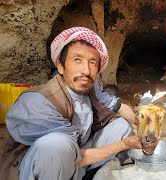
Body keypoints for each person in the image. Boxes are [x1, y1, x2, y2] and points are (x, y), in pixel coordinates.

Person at [0, 27, 142, 180]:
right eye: (77, 60)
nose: (86, 70)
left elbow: (110, 101)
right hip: (46, 166)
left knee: (123, 124)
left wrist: (133, 118)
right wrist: (124, 145)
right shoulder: (38, 101)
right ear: (61, 66)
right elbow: (70, 154)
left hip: (78, 155)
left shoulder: (87, 88)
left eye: (92, 63)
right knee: (57, 145)